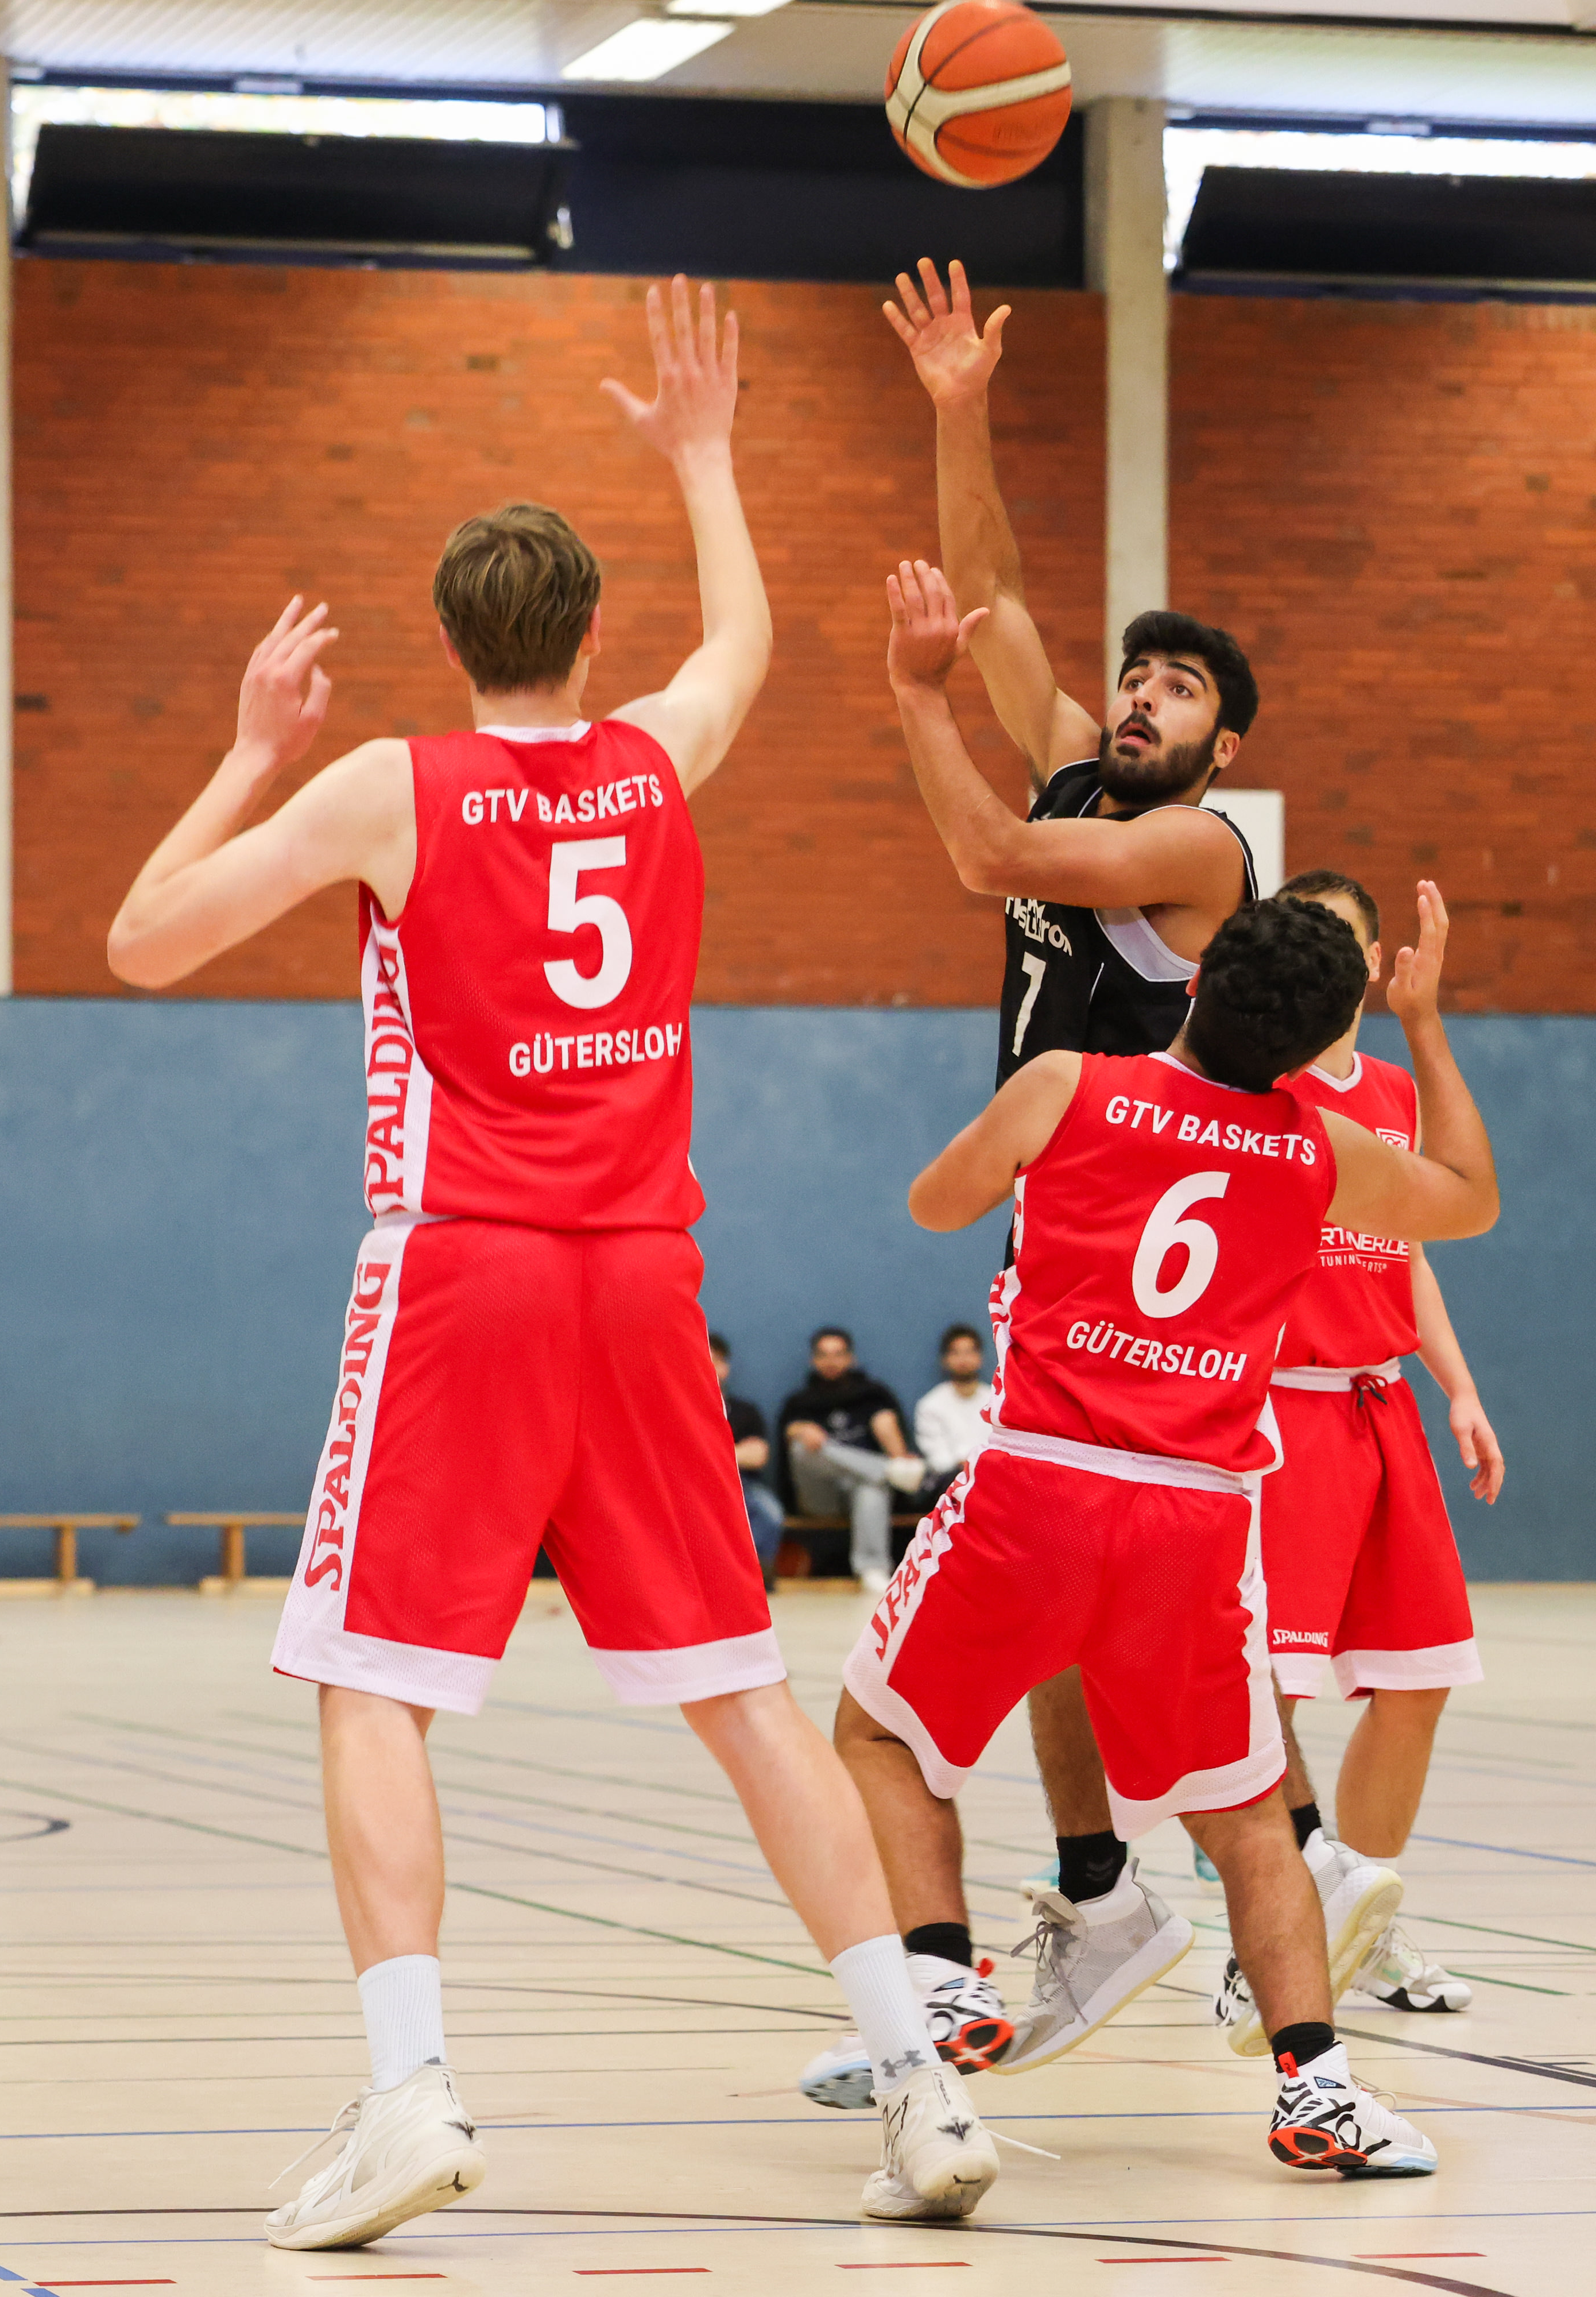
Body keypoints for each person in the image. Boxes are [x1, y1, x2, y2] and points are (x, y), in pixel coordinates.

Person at [106, 278, 999, 2241]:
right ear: (593, 635)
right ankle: (923, 2088)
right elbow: (746, 642)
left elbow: (142, 943)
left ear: (449, 641)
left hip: (467, 1275)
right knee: (745, 1695)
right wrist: (705, 456)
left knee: (367, 1687)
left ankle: (410, 2090)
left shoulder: (390, 786)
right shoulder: (656, 757)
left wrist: (251, 752)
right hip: (647, 1285)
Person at [832, 880, 1497, 2176]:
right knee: (1250, 1819)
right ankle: (1320, 2089)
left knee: (884, 1737)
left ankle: (944, 1980)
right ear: (1313, 1045)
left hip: (1039, 1482)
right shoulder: (1321, 1149)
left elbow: (934, 1203)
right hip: (1197, 1514)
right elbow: (1468, 1197)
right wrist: (1421, 1022)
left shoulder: (1068, 1084)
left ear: (1194, 984)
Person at [857, 256, 1265, 2079]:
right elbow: (1001, 595)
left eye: (1178, 690)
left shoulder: (1196, 851)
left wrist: (915, 701)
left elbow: (984, 860)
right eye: (1136, 677)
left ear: (1222, 746)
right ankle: (1103, 1887)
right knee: (1056, 1601)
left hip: (1138, 1248)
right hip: (1065, 1224)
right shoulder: (1088, 776)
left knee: (1080, 1591)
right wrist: (959, 408)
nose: (1140, 698)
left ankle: (1268, 1893)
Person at [1212, 869, 1502, 2055]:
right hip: (1280, 1415)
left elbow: (1414, 1248)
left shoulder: (1394, 1092)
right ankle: (1262, 1940)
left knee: (1420, 1679)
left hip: (1383, 1409)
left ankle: (1357, 1927)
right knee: (1265, 1688)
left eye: (1340, 938)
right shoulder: (1250, 1088)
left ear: (1378, 962)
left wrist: (1460, 1386)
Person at [780, 1328, 928, 1596]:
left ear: (851, 1358)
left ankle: (873, 1570)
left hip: (863, 1489)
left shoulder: (874, 1395)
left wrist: (893, 1442)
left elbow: (895, 1438)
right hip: (820, 1496)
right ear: (814, 1360)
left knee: (872, 1486)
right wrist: (798, 1430)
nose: (831, 1361)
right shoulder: (799, 1402)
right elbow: (787, 1449)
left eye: (838, 1354)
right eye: (824, 1355)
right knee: (802, 1447)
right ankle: (888, 1471)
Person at [710, 1332, 786, 1587]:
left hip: (742, 1483)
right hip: (689, 1483)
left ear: (725, 1367)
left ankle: (754, 1576)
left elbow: (757, 1456)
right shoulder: (674, 1407)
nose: (708, 1367)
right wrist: (735, 1451)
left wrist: (708, 1451)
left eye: (715, 1361)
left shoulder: (745, 1412)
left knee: (769, 1512)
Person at [913, 1322, 994, 1508]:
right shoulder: (930, 1405)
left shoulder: (996, 1400)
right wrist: (967, 1466)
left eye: (969, 1352)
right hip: (950, 1480)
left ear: (980, 1357)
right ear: (945, 1359)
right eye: (956, 1353)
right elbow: (938, 1459)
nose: (963, 1359)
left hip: (993, 1475)